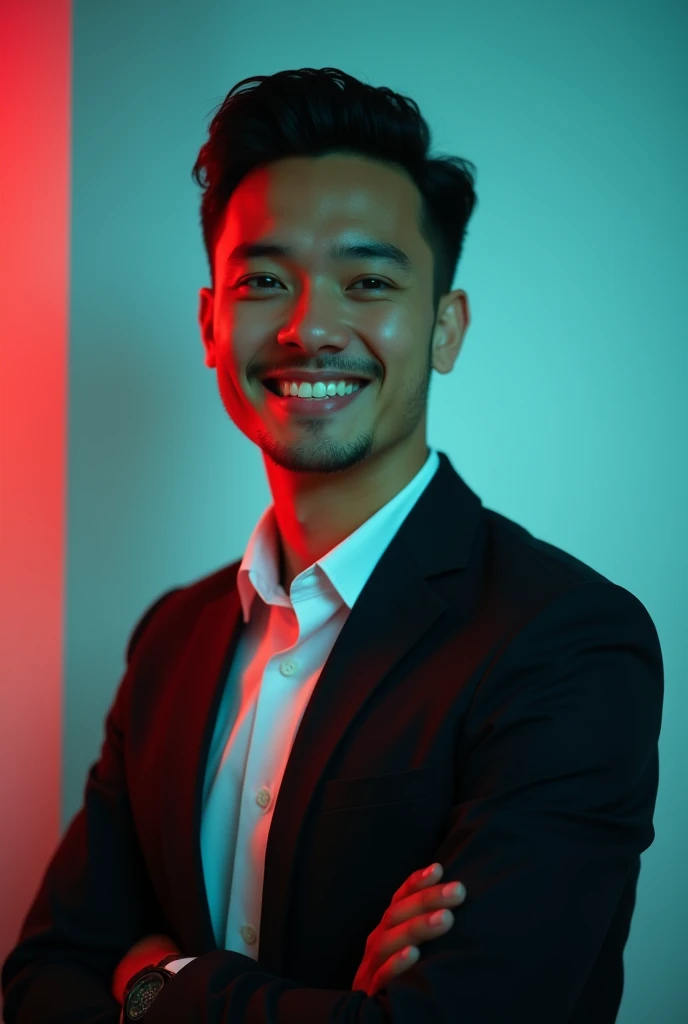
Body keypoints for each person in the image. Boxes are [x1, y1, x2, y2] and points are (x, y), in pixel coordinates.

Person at [1, 67, 663, 1024]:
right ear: (211, 325)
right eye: (265, 280)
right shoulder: (172, 639)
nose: (311, 327)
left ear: (444, 327)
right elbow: (44, 975)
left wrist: (159, 982)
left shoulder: (567, 641)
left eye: (369, 281)